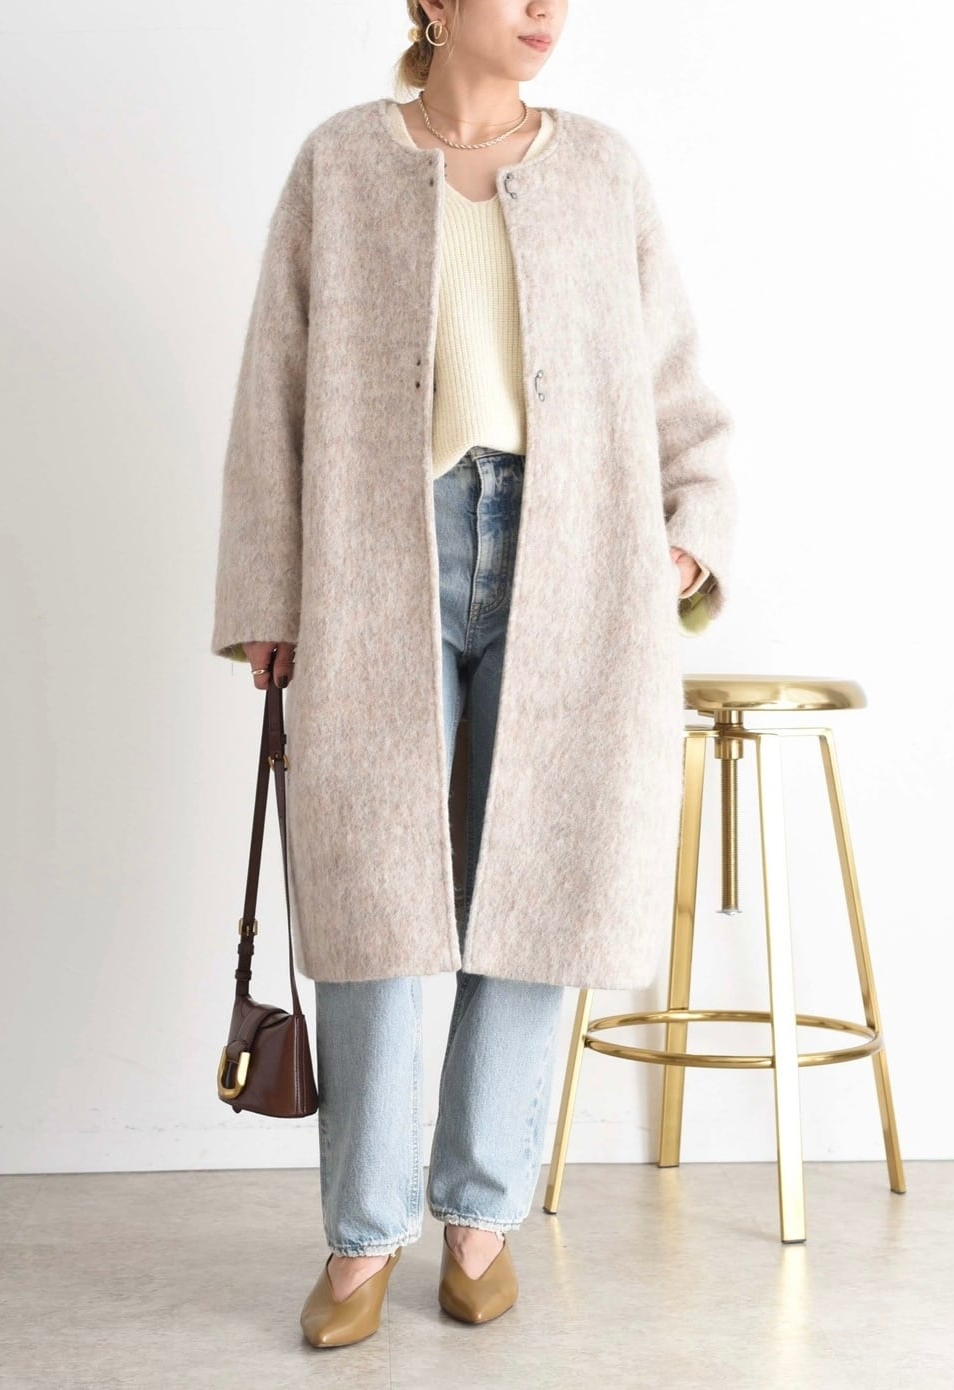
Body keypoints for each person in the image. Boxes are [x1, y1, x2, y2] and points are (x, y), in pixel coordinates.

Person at [211, 0, 735, 1349]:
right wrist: (265, 592)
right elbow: (274, 383)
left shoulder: (602, 169)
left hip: (575, 562)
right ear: (436, 5)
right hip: (375, 556)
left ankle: (481, 1216)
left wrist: (685, 537)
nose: (546, 11)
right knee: (374, 892)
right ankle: (361, 1236)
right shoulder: (340, 163)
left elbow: (676, 383)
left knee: (537, 880)